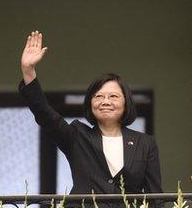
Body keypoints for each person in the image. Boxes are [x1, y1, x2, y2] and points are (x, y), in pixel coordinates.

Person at [18, 31, 162, 198]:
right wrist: (28, 71)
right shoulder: (77, 136)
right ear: (90, 103)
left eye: (113, 96)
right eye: (98, 96)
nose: (105, 101)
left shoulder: (145, 143)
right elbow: (44, 113)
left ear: (126, 102)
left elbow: (155, 197)